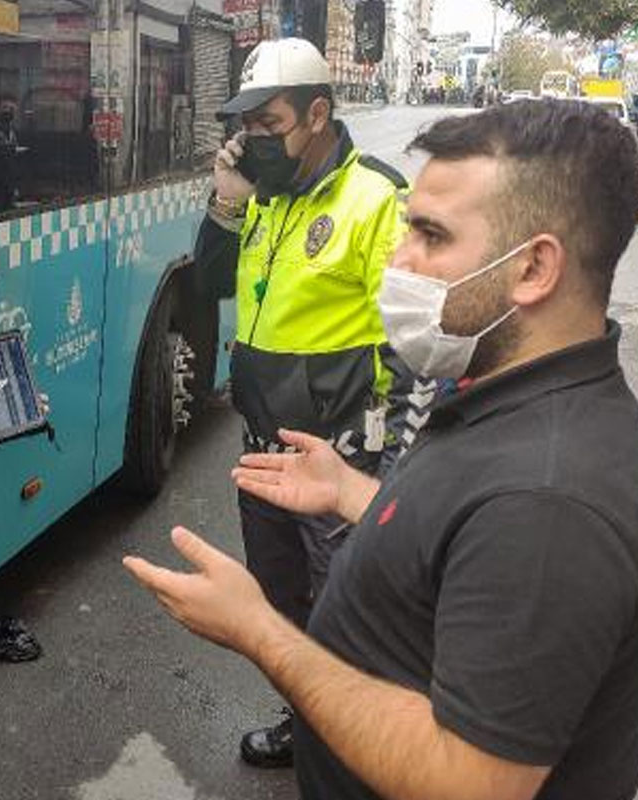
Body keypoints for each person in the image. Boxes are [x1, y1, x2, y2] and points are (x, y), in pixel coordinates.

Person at [127, 98, 638, 800]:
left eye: (430, 236)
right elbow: (459, 545)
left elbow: (467, 781)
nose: (398, 259)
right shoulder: (504, 389)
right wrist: (352, 492)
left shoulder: (548, 504)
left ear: (534, 269)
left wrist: (262, 632)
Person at [193, 37, 412, 768]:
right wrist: (225, 206)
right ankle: (307, 719)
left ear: (318, 113)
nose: (254, 140)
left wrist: (394, 464)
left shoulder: (375, 198)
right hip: (262, 447)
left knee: (345, 609)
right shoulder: (262, 197)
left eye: (269, 124)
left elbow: (416, 344)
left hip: (336, 455)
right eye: (245, 127)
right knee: (282, 599)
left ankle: (356, 749)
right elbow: (210, 286)